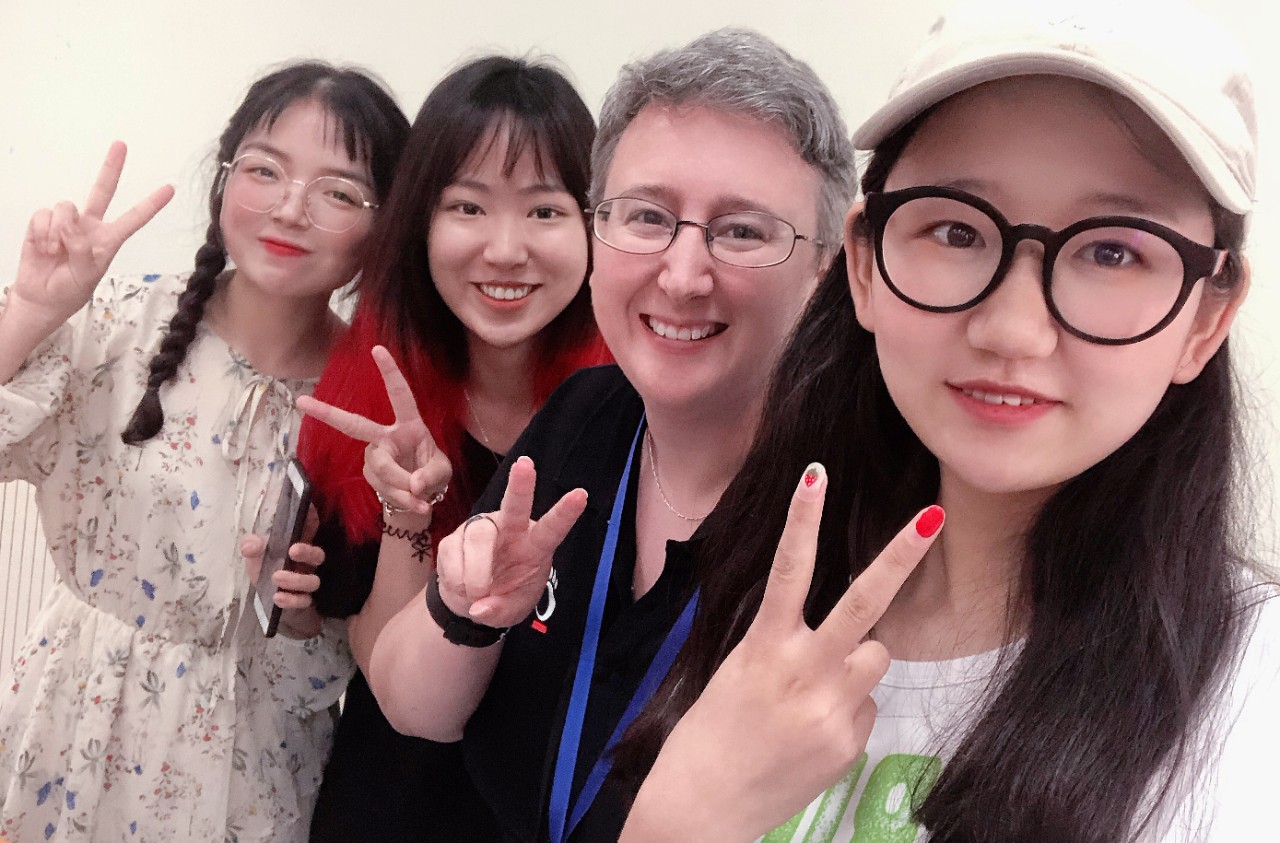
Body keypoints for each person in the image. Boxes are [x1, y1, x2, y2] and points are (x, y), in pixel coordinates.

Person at [615, 2, 1278, 841]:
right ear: (863, 264)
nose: (1012, 330)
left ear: (1206, 319)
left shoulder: (1251, 706)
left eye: (1113, 251)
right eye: (957, 230)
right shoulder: (778, 592)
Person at [338, 27, 857, 843]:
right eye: (647, 216)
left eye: (744, 231)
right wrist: (463, 608)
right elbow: (413, 708)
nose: (683, 276)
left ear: (828, 265)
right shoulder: (585, 415)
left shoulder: (858, 502)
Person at [0, 63, 408, 841]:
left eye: (339, 191)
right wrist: (30, 312)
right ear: (223, 182)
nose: (291, 208)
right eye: (265, 169)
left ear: (384, 228)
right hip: (72, 725)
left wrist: (296, 616)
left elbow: (340, 660)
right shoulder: (120, 321)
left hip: (254, 768)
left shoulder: (378, 407)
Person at [295, 55, 608, 842]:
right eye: (467, 207)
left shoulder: (627, 411)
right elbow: (379, 665)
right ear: (421, 223)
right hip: (391, 806)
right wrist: (409, 513)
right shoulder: (373, 398)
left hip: (561, 808)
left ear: (595, 223)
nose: (505, 250)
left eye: (544, 211)